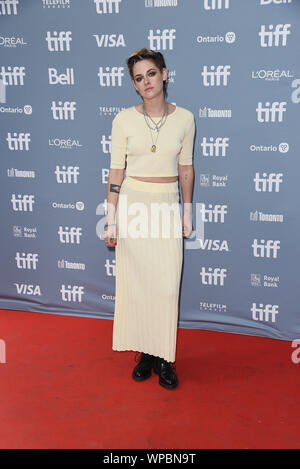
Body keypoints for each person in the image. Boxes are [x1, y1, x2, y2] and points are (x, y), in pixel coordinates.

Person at [104, 48, 195, 389]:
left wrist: (188, 210)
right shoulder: (123, 120)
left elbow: (186, 167)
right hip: (133, 205)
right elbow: (116, 170)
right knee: (138, 283)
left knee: (167, 285)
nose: (147, 82)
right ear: (134, 85)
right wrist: (111, 218)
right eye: (139, 78)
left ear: (165, 74)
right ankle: (146, 353)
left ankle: (164, 356)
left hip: (167, 204)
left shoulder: (185, 118)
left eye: (151, 74)